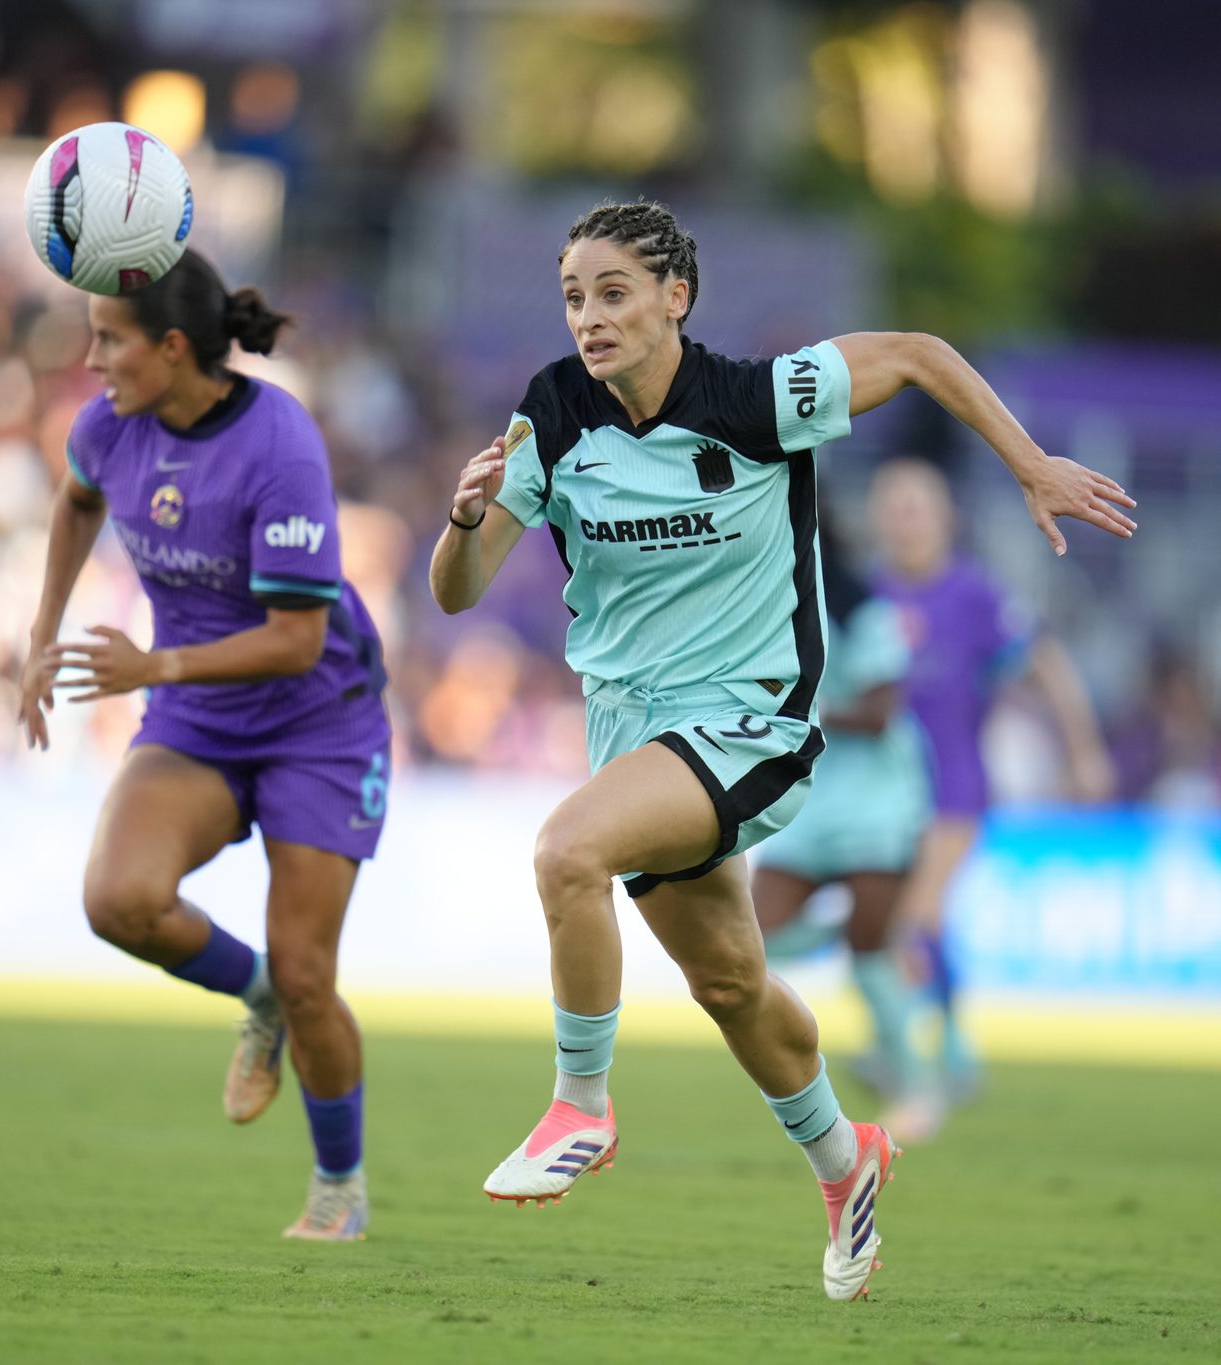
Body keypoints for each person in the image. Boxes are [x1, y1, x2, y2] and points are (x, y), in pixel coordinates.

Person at [428, 199, 1135, 1300]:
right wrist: (464, 520)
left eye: (613, 292)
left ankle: (582, 1106)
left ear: (676, 299)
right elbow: (457, 596)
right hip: (634, 735)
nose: (588, 318)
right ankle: (845, 1161)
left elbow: (914, 354)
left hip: (752, 722)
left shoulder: (759, 399)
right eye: (573, 296)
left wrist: (1028, 463)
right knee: (729, 981)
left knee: (566, 852)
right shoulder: (551, 416)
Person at [18, 250, 392, 1238]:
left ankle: (339, 1189)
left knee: (314, 976)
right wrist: (40, 636)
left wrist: (155, 670)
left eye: (109, 339)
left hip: (319, 720)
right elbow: (76, 503)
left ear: (172, 348)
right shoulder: (108, 426)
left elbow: (297, 638)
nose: (90, 358)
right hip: (198, 717)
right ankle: (256, 993)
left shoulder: (280, 446)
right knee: (119, 900)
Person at [868, 458, 1115, 1094]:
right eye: (895, 510)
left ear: (946, 518)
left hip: (955, 788)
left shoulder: (974, 595)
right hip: (882, 797)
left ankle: (907, 1050)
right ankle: (948, 1043)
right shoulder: (865, 595)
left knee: (911, 917)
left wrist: (1082, 751)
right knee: (908, 921)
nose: (906, 523)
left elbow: (1047, 664)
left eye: (917, 508)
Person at [752, 519, 940, 1141]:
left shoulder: (867, 614)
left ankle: (917, 1090)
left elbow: (882, 714)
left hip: (878, 802)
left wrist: (806, 710)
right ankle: (846, 932)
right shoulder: (765, 607)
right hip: (810, 800)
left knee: (873, 953)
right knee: (748, 941)